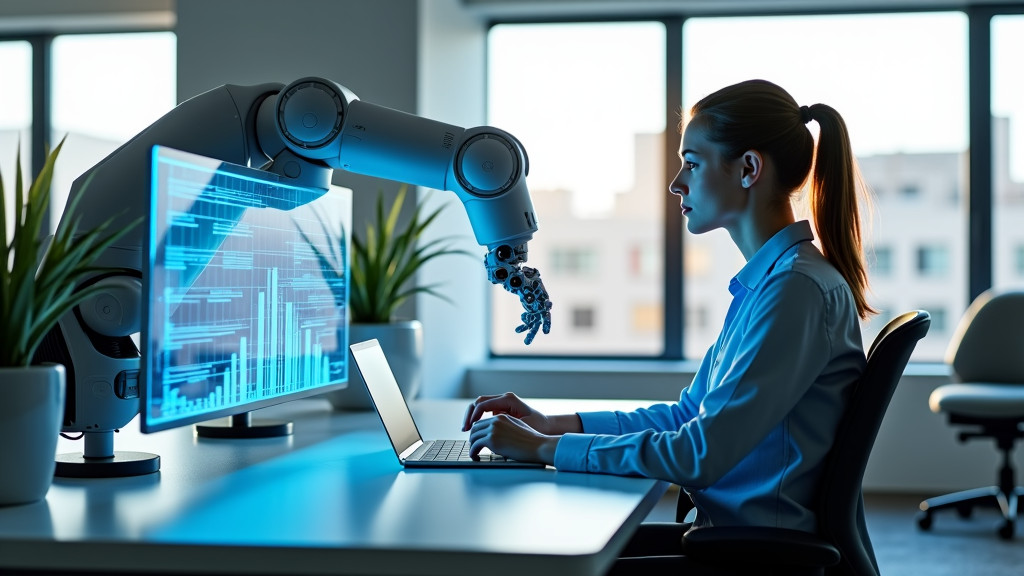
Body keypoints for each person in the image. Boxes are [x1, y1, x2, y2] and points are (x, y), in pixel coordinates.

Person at [462, 78, 877, 562]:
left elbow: (699, 453)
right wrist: (551, 426)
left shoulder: (794, 291)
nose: (676, 182)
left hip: (755, 555)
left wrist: (544, 450)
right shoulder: (772, 283)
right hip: (730, 535)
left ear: (748, 169)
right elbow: (688, 416)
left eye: (692, 163)